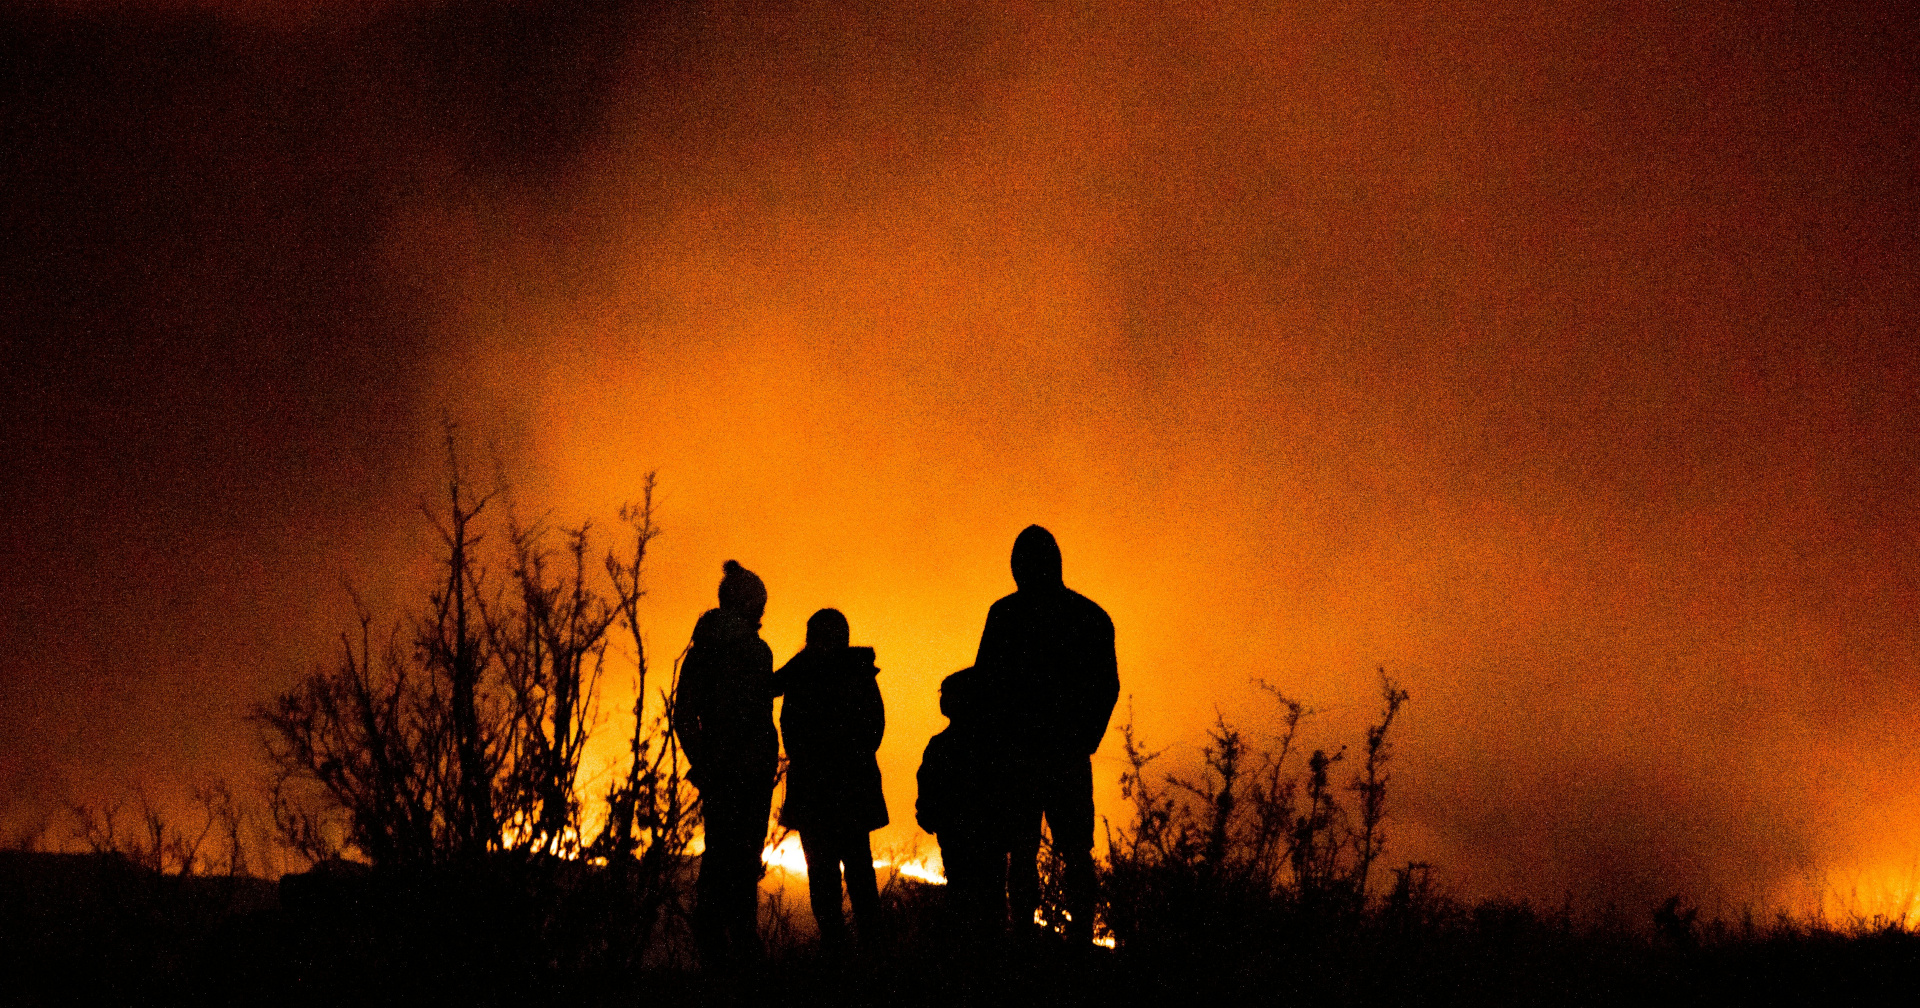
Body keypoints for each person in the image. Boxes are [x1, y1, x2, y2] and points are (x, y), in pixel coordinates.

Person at [974, 525, 1118, 946]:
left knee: (1028, 852)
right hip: (1057, 753)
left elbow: (987, 683)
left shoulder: (1005, 615)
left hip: (1025, 753)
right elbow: (1105, 687)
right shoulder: (1089, 616)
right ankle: (1074, 942)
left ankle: (1023, 937)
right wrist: (1084, 738)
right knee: (1071, 854)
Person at [672, 560, 778, 967]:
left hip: (731, 769)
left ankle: (724, 949)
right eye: (759, 602)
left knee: (724, 856)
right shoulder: (751, 649)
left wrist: (702, 761)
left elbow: (685, 714)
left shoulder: (707, 647)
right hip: (745, 771)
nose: (763, 610)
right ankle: (733, 951)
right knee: (736, 860)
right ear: (750, 602)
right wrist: (708, 762)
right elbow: (691, 714)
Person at [771, 608, 888, 951]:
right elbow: (874, 728)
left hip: (818, 792)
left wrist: (814, 759)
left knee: (830, 876)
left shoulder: (803, 674)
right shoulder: (858, 673)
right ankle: (867, 951)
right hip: (848, 790)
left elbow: (788, 725)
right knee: (853, 871)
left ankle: (842, 952)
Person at [916, 667, 1018, 945]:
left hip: (965, 836)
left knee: (968, 896)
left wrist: (928, 814)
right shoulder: (993, 745)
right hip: (974, 837)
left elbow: (928, 787)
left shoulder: (946, 745)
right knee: (984, 897)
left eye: (948, 694)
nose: (944, 699)